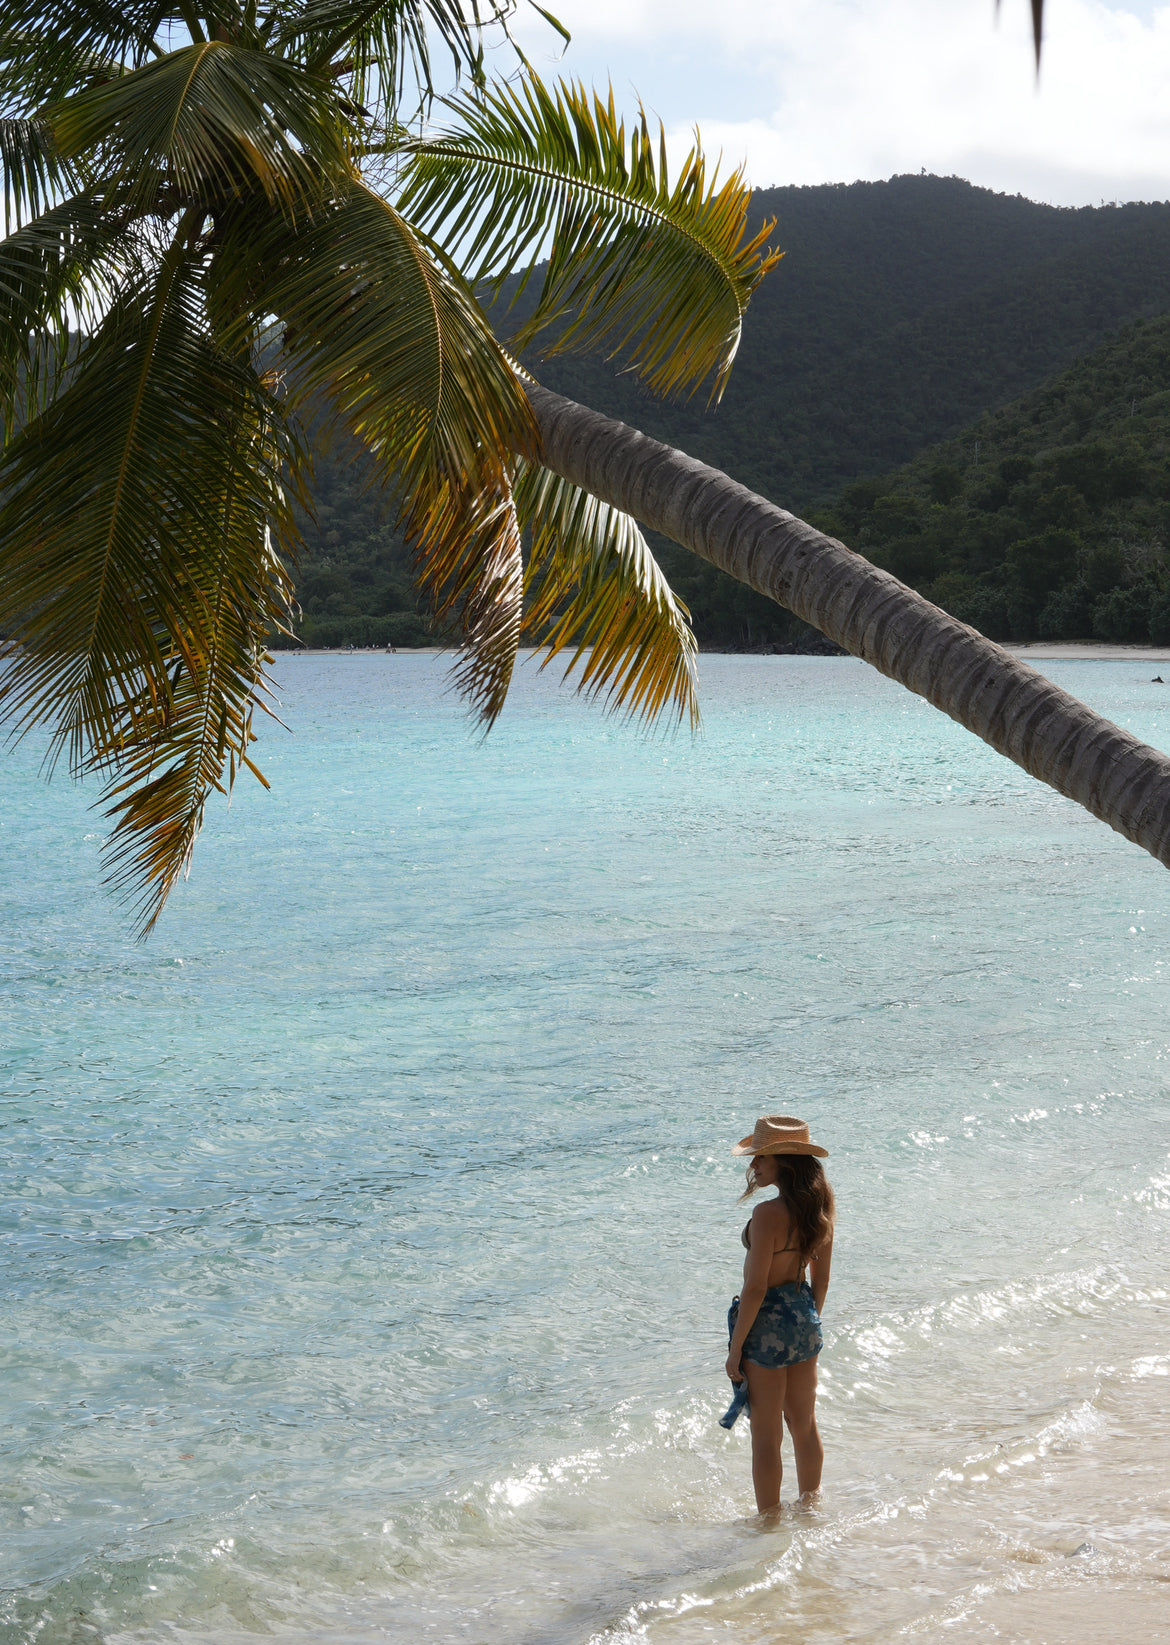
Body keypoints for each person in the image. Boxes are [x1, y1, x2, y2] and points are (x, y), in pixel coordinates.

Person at [725, 1115, 835, 1513]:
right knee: (804, 1425)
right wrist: (806, 1321)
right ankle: (811, 1508)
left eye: (760, 1159)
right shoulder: (820, 1207)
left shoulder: (768, 1215)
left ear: (783, 1163)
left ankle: (769, 1526)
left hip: (765, 1325)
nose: (754, 1166)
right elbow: (821, 1281)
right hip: (804, 1318)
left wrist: (735, 1350)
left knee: (766, 1436)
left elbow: (755, 1289)